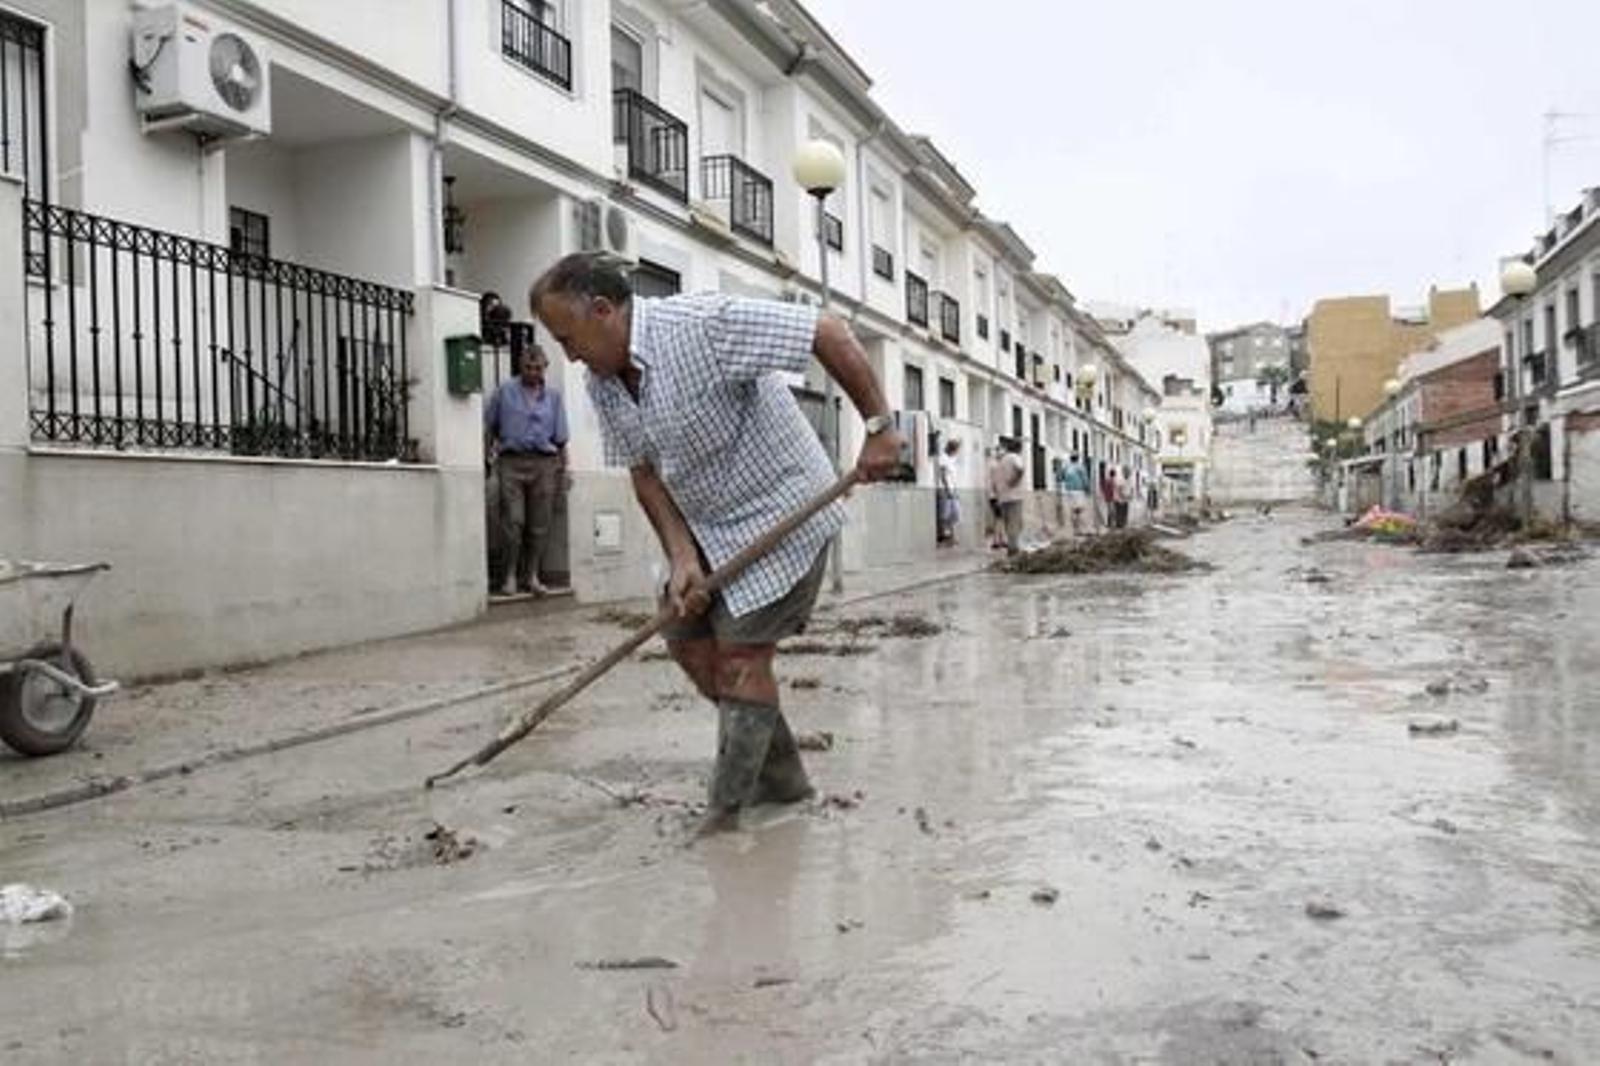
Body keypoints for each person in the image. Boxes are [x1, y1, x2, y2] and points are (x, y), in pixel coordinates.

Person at [529, 252, 902, 837]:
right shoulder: (603, 383)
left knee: (741, 657)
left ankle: (725, 817)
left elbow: (826, 331)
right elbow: (644, 473)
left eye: (567, 338)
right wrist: (681, 557)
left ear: (602, 311)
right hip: (705, 526)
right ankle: (784, 785)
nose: (569, 355)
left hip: (783, 509)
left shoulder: (703, 325)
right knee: (688, 642)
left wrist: (880, 428)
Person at [483, 346, 573, 597]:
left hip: (545, 464)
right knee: (514, 521)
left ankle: (531, 575)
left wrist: (566, 469)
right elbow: (490, 428)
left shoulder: (553, 397)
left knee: (540, 525)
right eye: (528, 367)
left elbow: (561, 439)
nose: (533, 372)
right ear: (520, 366)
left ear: (545, 368)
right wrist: (488, 463)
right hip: (511, 462)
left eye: (537, 368)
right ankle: (510, 576)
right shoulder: (504, 391)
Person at [995, 436, 1026, 555]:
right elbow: (1020, 470)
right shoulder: (1014, 457)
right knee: (1015, 523)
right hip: (1015, 496)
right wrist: (1014, 481)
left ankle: (1011, 547)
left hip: (1003, 496)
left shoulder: (1002, 460)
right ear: (1018, 449)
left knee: (1008, 524)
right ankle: (1013, 549)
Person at [936, 438, 962, 545]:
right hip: (945, 489)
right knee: (945, 514)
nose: (958, 452)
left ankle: (952, 536)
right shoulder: (943, 458)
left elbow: (953, 476)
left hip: (953, 489)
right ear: (952, 449)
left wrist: (954, 489)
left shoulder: (952, 459)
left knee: (955, 514)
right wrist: (948, 490)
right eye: (957, 449)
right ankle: (945, 536)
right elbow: (943, 475)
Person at [1058, 453, 1091, 535]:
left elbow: (1060, 477)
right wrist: (1088, 488)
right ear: (1078, 459)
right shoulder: (1080, 467)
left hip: (1069, 491)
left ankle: (1075, 530)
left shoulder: (1066, 467)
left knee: (1073, 510)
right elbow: (1085, 479)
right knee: (1079, 510)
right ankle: (1079, 529)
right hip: (1078, 491)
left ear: (1070, 459)